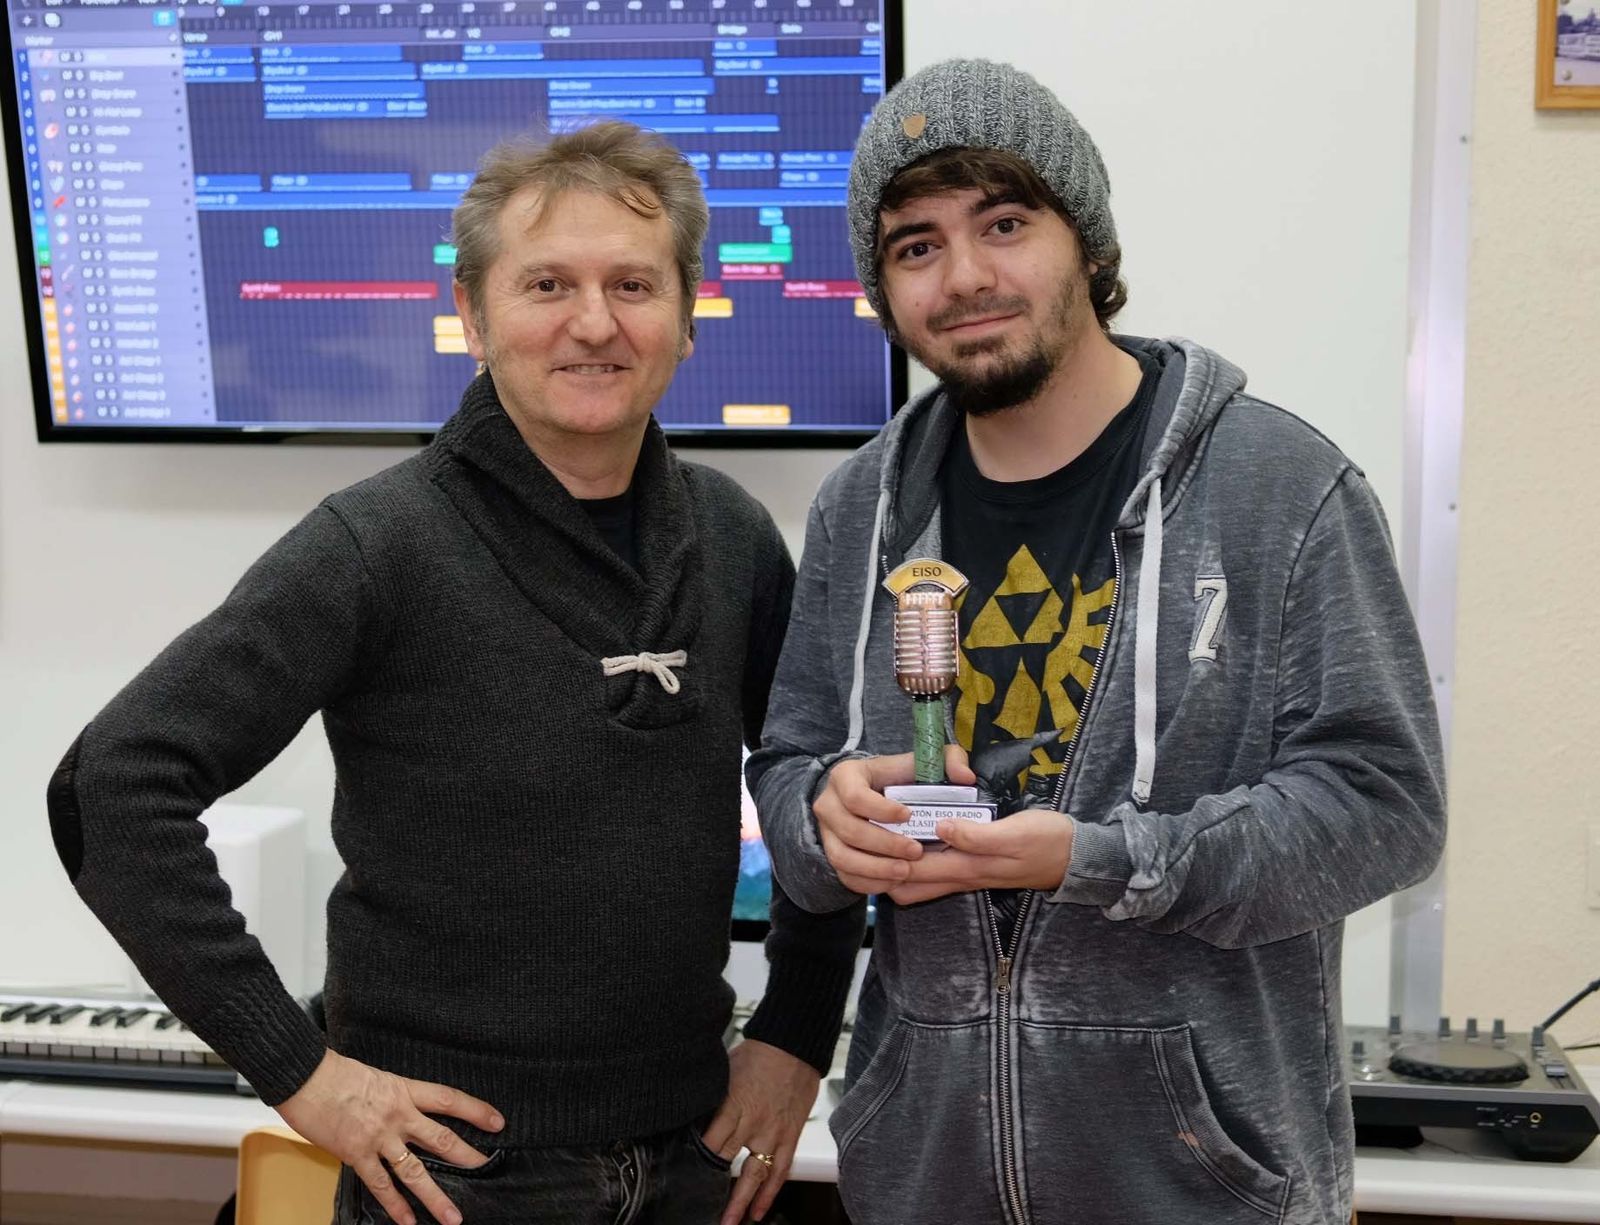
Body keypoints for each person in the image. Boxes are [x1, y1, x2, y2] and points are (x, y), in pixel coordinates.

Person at [47, 120, 860, 1225]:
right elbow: (111, 783)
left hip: (693, 1162)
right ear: (472, 317)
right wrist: (302, 1073)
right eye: (545, 285)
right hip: (452, 1182)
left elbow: (821, 793)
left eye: (633, 283)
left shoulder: (732, 537)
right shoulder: (376, 545)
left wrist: (796, 1033)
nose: (593, 323)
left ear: (686, 318)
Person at [749, 59, 1446, 1225]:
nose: (964, 276)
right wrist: (823, 816)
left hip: (1206, 1188)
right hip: (923, 1183)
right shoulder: (858, 507)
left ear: (1086, 239)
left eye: (1005, 223)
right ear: (882, 289)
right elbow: (784, 770)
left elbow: (1384, 807)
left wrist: (1100, 859)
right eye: (916, 245)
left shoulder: (1279, 488)